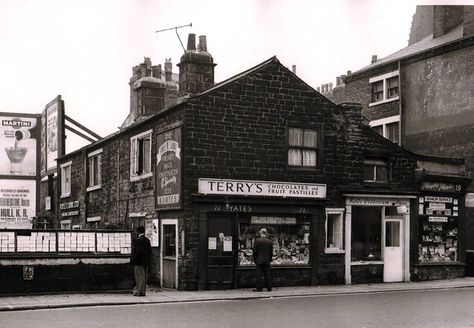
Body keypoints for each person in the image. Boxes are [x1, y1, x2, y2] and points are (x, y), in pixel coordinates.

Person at [130, 226, 152, 296]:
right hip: (146, 261)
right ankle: (143, 291)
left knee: (139, 277)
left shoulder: (138, 240)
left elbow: (138, 251)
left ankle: (140, 291)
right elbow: (150, 251)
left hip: (138, 261)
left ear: (138, 231)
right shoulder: (147, 240)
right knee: (144, 277)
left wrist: (133, 259)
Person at [253, 227, 273, 292]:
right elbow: (271, 252)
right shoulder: (270, 241)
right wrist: (270, 259)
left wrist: (254, 259)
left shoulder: (257, 241)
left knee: (259, 275)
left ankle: (259, 288)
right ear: (266, 233)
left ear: (260, 233)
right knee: (268, 275)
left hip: (259, 260)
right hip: (267, 260)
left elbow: (254, 252)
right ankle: (269, 288)